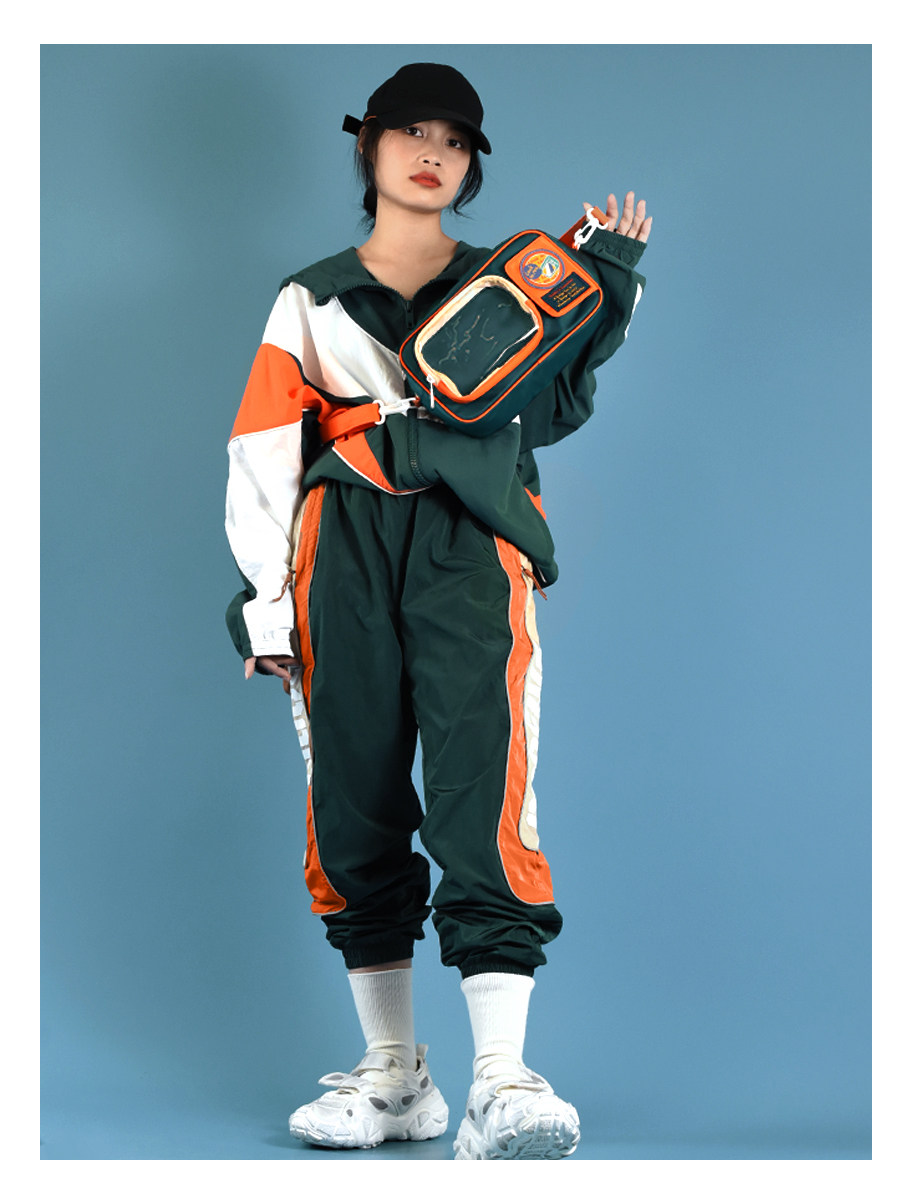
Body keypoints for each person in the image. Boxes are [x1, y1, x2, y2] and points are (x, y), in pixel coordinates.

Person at [224, 62, 651, 1160]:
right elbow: (264, 452)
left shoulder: (515, 284)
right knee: (352, 796)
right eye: (412, 132)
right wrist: (267, 606)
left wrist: (605, 287)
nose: (432, 154)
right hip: (343, 548)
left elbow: (549, 414)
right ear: (367, 145)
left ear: (470, 167)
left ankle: (501, 1081)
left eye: (455, 142)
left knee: (482, 785)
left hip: (470, 543)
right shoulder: (311, 298)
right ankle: (393, 1078)